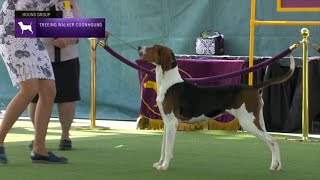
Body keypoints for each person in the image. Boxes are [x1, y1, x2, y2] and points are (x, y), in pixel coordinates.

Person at [0, 0, 71, 164]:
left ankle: (39, 149)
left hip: (31, 33)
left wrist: (86, 29)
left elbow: (65, 13)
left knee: (49, 89)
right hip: (12, 29)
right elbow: (24, 6)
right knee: (29, 88)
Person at [28, 0, 82, 151]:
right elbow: (25, 27)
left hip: (68, 57)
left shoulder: (70, 2)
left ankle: (65, 136)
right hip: (38, 56)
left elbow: (79, 26)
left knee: (68, 96)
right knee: (35, 97)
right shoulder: (32, 2)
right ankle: (38, 136)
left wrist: (70, 39)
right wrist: (50, 38)